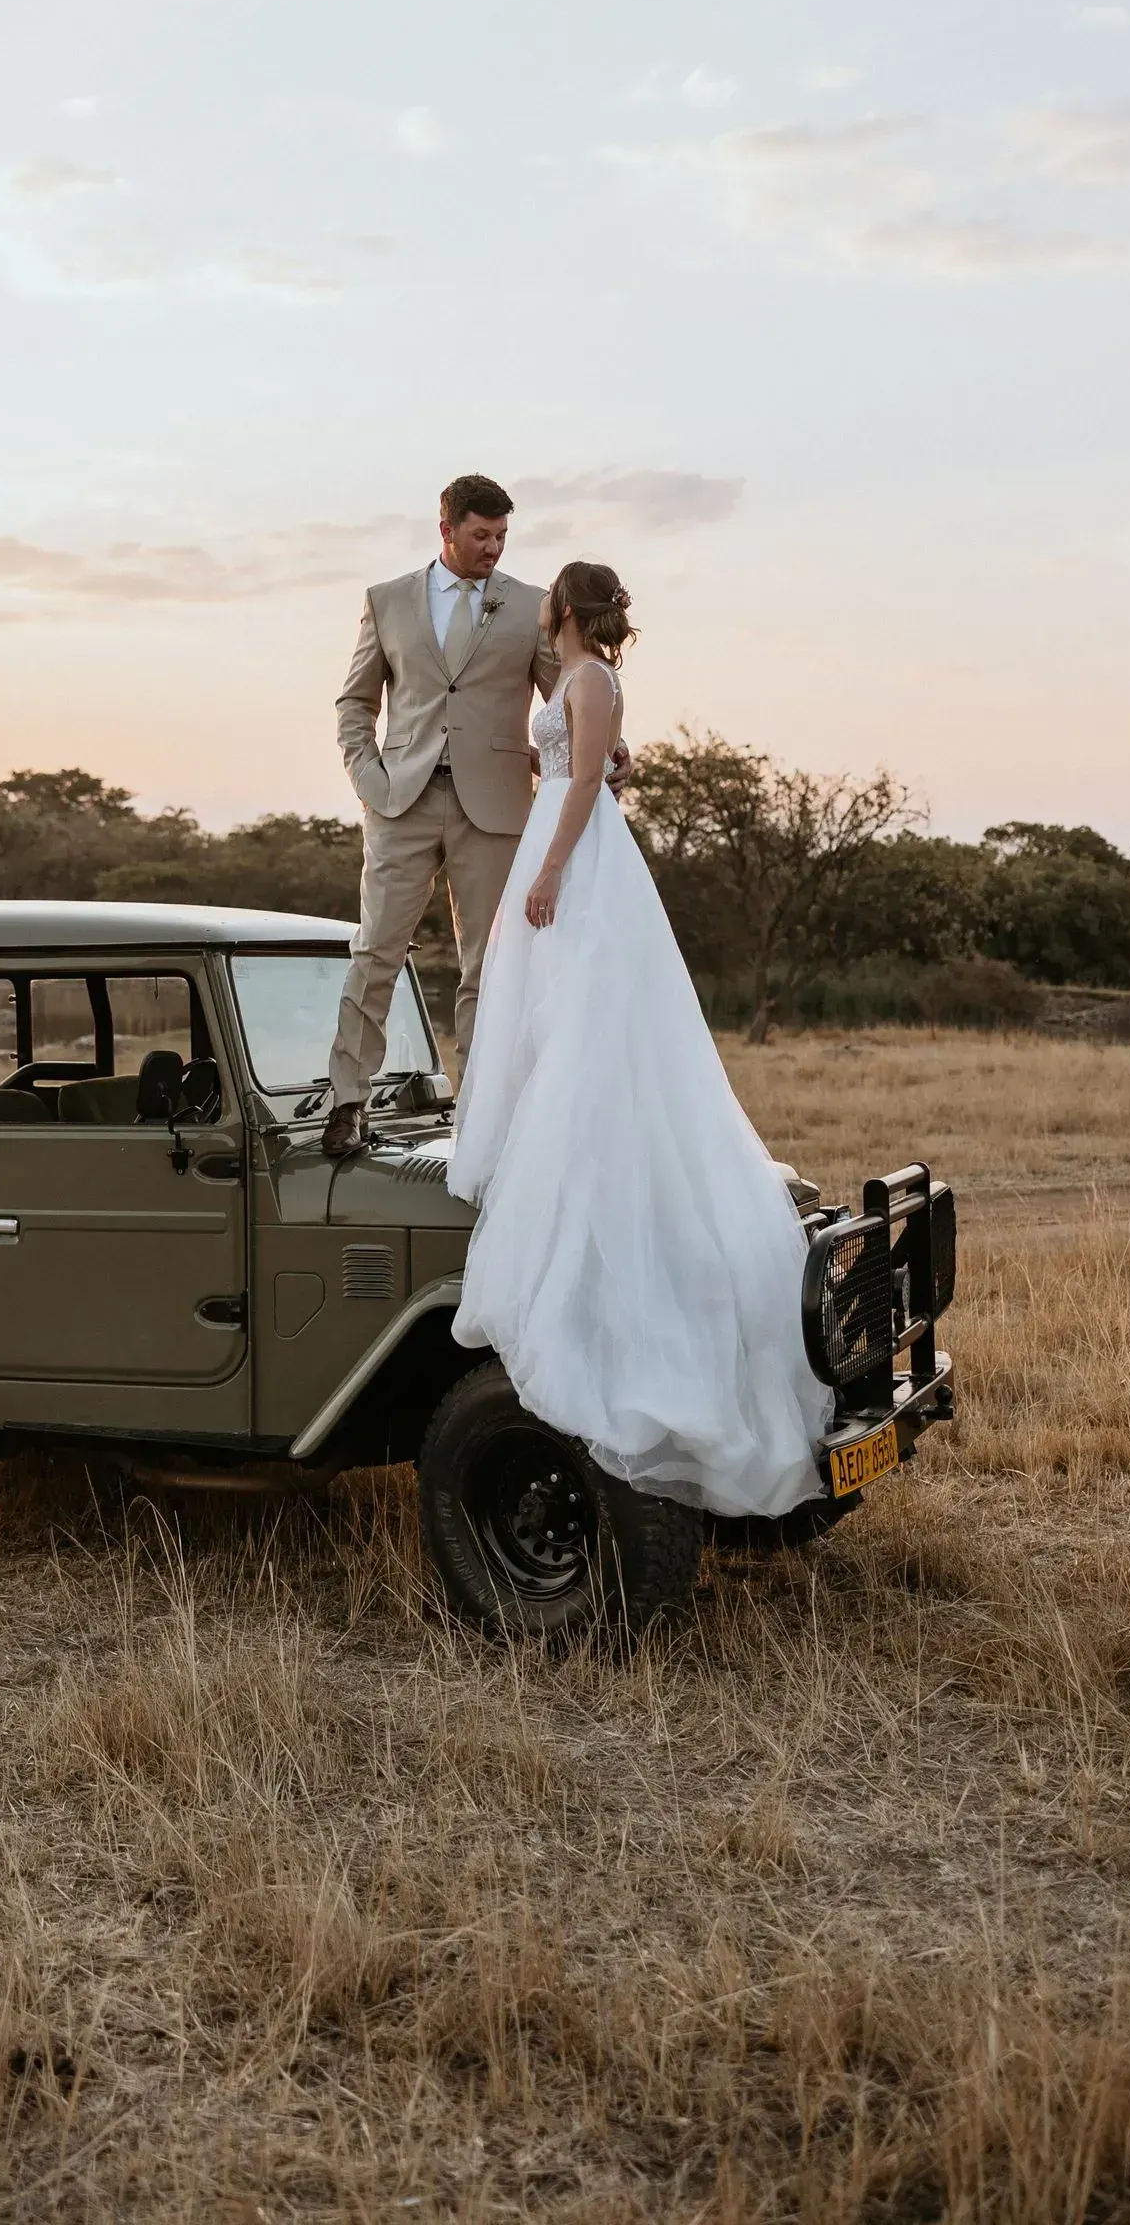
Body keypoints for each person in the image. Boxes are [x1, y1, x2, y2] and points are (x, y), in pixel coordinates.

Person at [446, 559, 834, 1521]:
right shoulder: (579, 681)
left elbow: (584, 780)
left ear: (564, 608)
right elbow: (589, 764)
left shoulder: (589, 678)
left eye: (550, 595)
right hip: (560, 832)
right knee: (545, 1007)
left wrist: (551, 868)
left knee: (584, 1013)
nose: (541, 603)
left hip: (576, 852)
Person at [324, 474, 617, 1161]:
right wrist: (368, 781)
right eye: (481, 535)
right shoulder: (386, 600)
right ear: (447, 529)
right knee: (376, 951)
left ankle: (479, 1116)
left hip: (496, 808)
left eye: (502, 536)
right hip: (400, 802)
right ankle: (347, 1102)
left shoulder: (531, 606)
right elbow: (355, 703)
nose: (493, 548)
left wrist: (613, 746)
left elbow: (569, 695)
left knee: (487, 966)